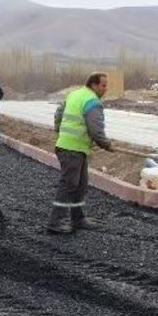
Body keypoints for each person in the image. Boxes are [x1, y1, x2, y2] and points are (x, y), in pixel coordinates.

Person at [47, 72, 112, 234]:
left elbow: (59, 114)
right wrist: (106, 144)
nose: (106, 89)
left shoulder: (74, 94)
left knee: (80, 185)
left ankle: (78, 218)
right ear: (94, 85)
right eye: (103, 85)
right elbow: (96, 130)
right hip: (72, 149)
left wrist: (59, 130)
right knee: (69, 185)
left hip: (73, 148)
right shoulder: (92, 102)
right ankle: (55, 222)